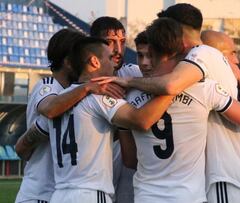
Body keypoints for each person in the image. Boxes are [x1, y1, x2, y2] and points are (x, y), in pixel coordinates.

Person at [101, 17, 240, 203]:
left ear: (152, 52)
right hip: (189, 197)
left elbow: (130, 161)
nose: (144, 62)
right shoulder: (205, 89)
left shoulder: (129, 97)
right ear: (182, 50)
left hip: (147, 196)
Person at [17, 37, 174, 203]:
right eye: (108, 58)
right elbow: (142, 119)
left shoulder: (61, 100)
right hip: (90, 193)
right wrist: (172, 88)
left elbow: (22, 146)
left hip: (59, 194)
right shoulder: (98, 97)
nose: (114, 65)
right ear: (94, 61)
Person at [15, 29, 121, 203]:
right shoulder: (48, 86)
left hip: (60, 193)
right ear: (68, 62)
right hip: (40, 192)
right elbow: (50, 110)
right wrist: (87, 87)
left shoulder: (78, 95)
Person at [201, 30, 240, 203]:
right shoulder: (213, 83)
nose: (237, 60)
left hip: (229, 183)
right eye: (232, 53)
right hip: (225, 181)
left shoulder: (226, 85)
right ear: (215, 55)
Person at [90, 16, 140, 203]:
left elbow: (163, 81)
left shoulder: (133, 73)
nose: (119, 50)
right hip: (96, 168)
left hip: (130, 166)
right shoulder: (81, 84)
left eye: (122, 42)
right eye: (110, 42)